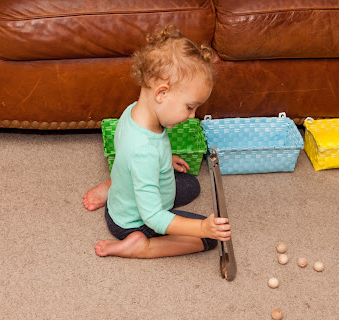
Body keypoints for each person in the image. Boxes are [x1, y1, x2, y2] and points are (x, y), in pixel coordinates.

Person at [84, 25, 231, 258]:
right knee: (209, 239)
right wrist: (202, 228)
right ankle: (140, 247)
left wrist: (165, 159)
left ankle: (112, 187)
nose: (192, 116)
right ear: (161, 93)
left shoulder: (133, 112)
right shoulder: (144, 151)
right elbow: (153, 217)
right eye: (189, 107)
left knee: (191, 185)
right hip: (133, 222)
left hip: (125, 196)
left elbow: (128, 153)